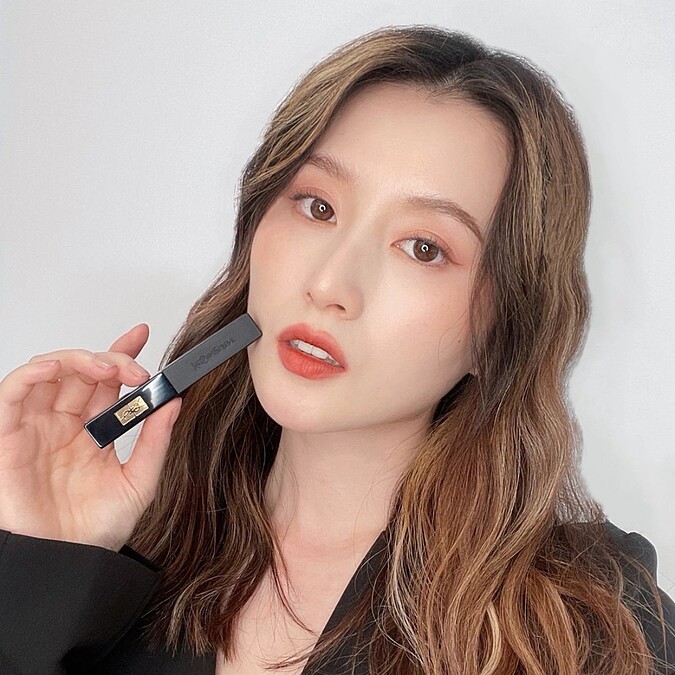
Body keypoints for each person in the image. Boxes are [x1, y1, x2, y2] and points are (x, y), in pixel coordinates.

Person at [0, 23, 673, 675]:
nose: (328, 285)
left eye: (423, 248)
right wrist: (42, 569)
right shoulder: (117, 566)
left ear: (503, 331)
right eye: (317, 206)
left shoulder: (597, 629)